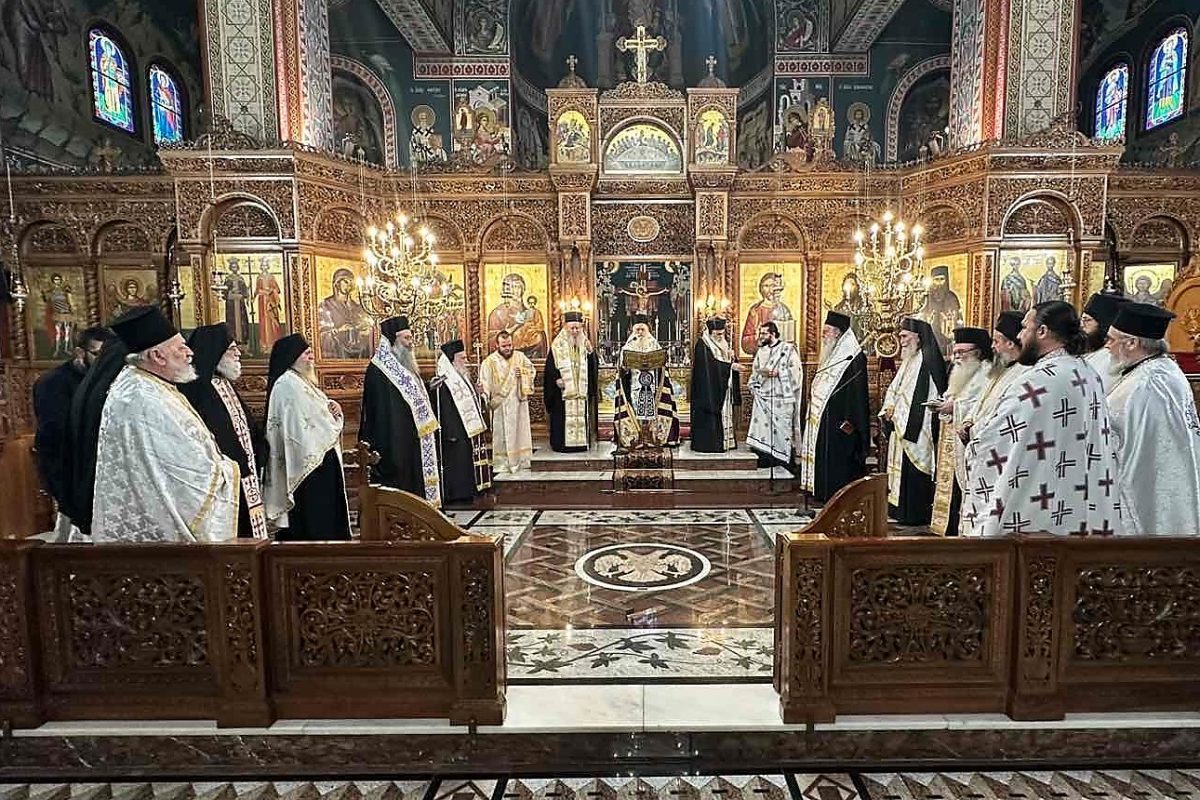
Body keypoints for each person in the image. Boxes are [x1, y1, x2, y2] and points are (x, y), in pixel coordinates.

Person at [962, 301, 1123, 537]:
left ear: (1042, 331)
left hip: (1034, 509)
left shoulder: (1038, 381)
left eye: (1024, 327)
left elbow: (994, 441)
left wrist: (973, 438)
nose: (1019, 335)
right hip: (1075, 499)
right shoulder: (1086, 372)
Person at [91, 306, 240, 543]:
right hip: (161, 535)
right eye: (181, 347)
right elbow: (181, 470)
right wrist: (227, 470)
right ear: (157, 356)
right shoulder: (141, 398)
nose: (190, 353)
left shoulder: (146, 385)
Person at [1104, 302, 1200, 535]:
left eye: (1111, 339)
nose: (1107, 346)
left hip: (1146, 498)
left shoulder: (1145, 384)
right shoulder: (1165, 369)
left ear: (1132, 343)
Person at [180, 324, 268, 539]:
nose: (238, 353)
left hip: (243, 477)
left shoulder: (223, 383)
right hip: (222, 483)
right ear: (215, 352)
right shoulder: (198, 390)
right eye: (232, 348)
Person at [263, 334, 351, 540]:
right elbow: (300, 424)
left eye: (310, 352)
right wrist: (330, 421)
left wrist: (334, 410)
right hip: (305, 465)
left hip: (319, 458)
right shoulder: (286, 384)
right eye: (306, 353)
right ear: (292, 356)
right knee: (312, 518)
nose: (311, 356)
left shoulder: (302, 381)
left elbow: (317, 412)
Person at [33, 325, 114, 537]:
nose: (104, 362)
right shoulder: (53, 382)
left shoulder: (106, 377)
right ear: (80, 353)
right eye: (97, 355)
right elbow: (56, 432)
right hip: (66, 464)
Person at [359, 316, 442, 506]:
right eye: (406, 338)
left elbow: (409, 398)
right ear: (393, 340)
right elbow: (380, 409)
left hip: (411, 437)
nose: (411, 343)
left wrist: (428, 387)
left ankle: (421, 512)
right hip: (393, 440)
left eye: (411, 338)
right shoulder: (378, 370)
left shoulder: (404, 365)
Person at [880, 318, 948, 525]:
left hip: (919, 425)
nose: (900, 341)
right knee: (900, 469)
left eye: (904, 336)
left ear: (917, 337)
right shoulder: (909, 360)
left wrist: (901, 417)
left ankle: (914, 514)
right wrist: (889, 407)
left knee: (915, 468)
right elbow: (895, 389)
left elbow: (927, 395)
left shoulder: (927, 360)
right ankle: (899, 510)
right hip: (901, 423)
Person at [799, 311, 870, 502]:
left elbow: (857, 395)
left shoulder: (853, 358)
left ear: (838, 332)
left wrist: (849, 421)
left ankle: (835, 495)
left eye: (826, 331)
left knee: (837, 460)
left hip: (840, 422)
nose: (823, 336)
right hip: (825, 419)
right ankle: (821, 490)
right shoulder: (833, 354)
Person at [930, 328, 993, 536]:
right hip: (952, 439)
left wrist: (954, 407)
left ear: (978, 352)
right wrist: (944, 404)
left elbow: (980, 406)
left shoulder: (987, 373)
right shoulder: (960, 371)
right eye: (955, 352)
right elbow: (955, 396)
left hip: (970, 443)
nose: (956, 357)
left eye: (962, 352)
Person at [432, 339, 491, 503]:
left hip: (466, 429)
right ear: (452, 360)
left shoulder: (462, 377)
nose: (466, 361)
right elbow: (444, 410)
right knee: (457, 462)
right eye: (462, 358)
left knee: (466, 460)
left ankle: (471, 490)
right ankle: (458, 495)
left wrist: (478, 393)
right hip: (454, 432)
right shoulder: (443, 382)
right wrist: (450, 433)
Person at [614, 315, 680, 449]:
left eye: (642, 330)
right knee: (636, 408)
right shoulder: (628, 345)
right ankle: (637, 436)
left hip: (651, 385)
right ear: (633, 331)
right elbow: (622, 367)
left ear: (647, 330)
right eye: (637, 330)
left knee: (650, 409)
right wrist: (624, 367)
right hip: (634, 385)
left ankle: (651, 436)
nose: (640, 333)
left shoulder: (654, 344)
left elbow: (662, 364)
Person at [747, 320, 803, 472]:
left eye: (764, 333)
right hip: (764, 397)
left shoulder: (788, 349)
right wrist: (754, 383)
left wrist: (779, 373)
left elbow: (796, 372)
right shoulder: (761, 352)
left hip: (781, 398)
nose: (761, 336)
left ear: (773, 334)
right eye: (760, 333)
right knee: (762, 430)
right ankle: (765, 459)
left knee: (782, 430)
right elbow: (756, 370)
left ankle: (782, 460)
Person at [482, 329, 536, 471]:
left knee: (520, 433)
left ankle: (522, 461)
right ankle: (503, 464)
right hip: (501, 406)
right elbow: (485, 383)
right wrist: (484, 396)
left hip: (518, 404)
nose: (507, 348)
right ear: (497, 346)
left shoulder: (520, 357)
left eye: (510, 345)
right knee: (502, 435)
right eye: (504, 346)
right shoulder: (489, 362)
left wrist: (523, 373)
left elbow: (532, 371)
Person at [543, 312, 596, 454]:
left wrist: (591, 353)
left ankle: (581, 444)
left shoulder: (584, 344)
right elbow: (549, 368)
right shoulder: (557, 345)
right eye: (572, 328)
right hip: (563, 392)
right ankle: (562, 444)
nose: (575, 331)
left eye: (578, 328)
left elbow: (592, 367)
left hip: (581, 391)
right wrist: (556, 378)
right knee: (561, 418)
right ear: (566, 328)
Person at [690, 317, 744, 453]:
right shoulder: (703, 345)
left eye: (722, 333)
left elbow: (724, 361)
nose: (720, 336)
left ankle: (726, 442)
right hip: (708, 391)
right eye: (717, 334)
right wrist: (730, 366)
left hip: (723, 388)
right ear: (710, 331)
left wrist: (732, 358)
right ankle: (711, 444)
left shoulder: (724, 343)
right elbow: (709, 367)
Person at [1080, 292, 1131, 393]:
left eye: (1087, 320)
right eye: (1081, 319)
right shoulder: (1091, 351)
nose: (1081, 325)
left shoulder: (1112, 357)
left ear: (1104, 325)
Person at [318, 268, 373, 358]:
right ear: (337, 283)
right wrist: (339, 330)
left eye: (351, 282)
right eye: (345, 281)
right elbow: (322, 334)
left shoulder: (358, 307)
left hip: (359, 355)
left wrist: (364, 332)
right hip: (336, 355)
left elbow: (367, 328)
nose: (349, 285)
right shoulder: (326, 305)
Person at [740, 273, 794, 356]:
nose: (770, 289)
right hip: (761, 356)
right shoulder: (755, 310)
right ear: (761, 288)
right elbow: (745, 342)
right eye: (766, 286)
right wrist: (756, 338)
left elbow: (790, 336)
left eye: (772, 286)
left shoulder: (784, 310)